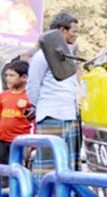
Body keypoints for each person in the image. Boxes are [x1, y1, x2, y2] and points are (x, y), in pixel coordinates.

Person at [27, 12, 80, 175]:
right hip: (51, 115)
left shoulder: (68, 55)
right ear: (62, 31)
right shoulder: (42, 56)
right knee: (47, 167)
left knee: (67, 166)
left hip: (70, 116)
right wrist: (40, 106)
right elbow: (32, 86)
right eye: (74, 31)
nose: (76, 35)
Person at [0, 60, 31, 168]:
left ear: (24, 78)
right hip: (2, 141)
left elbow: (34, 121)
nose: (8, 78)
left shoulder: (30, 96)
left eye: (12, 75)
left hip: (20, 141)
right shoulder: (3, 96)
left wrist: (32, 146)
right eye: (6, 75)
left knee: (17, 170)